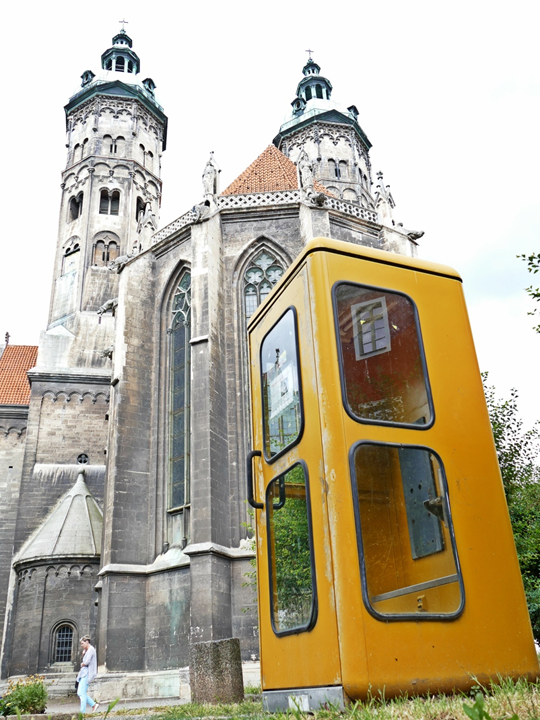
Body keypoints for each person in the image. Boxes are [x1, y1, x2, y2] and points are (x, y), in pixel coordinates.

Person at [77, 636, 100, 714]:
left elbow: (87, 662)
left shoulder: (91, 649)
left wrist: (82, 663)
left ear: (87, 642)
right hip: (84, 672)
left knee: (82, 693)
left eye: (82, 643)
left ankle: (82, 712)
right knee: (80, 692)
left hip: (87, 673)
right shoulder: (88, 650)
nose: (81, 645)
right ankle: (93, 705)